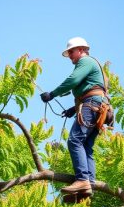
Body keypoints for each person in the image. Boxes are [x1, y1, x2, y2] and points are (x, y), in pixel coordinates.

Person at [40, 37, 107, 196]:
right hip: (96, 105)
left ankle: (83, 180)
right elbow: (88, 88)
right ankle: (89, 184)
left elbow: (73, 80)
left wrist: (53, 94)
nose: (69, 55)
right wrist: (73, 109)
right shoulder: (92, 65)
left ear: (82, 49)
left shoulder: (86, 61)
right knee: (85, 146)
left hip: (91, 105)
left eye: (71, 51)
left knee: (75, 140)